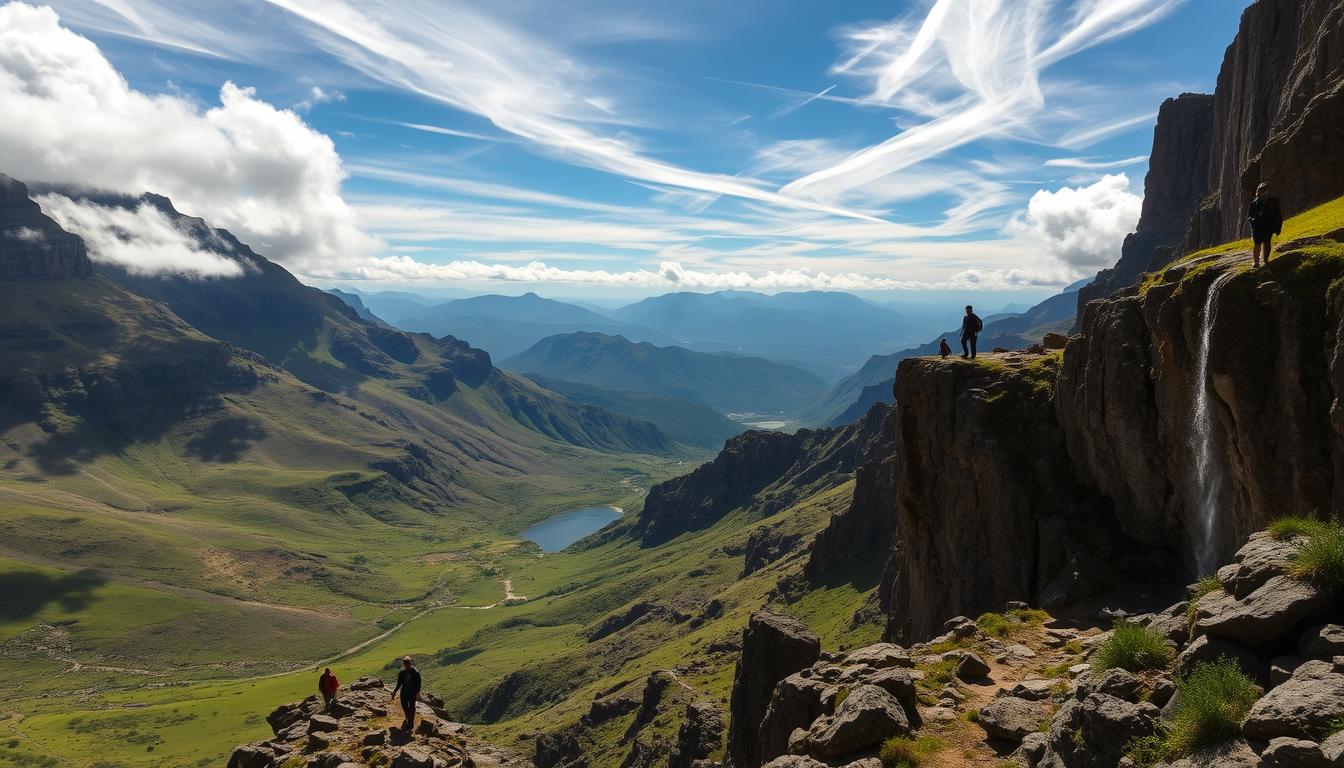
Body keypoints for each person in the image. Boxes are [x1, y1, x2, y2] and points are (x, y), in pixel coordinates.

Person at [1247, 181, 1283, 268]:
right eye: (1258, 192)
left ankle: (1265, 260)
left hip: (1268, 226)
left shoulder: (1273, 202)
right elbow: (1249, 215)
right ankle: (1256, 262)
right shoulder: (1254, 203)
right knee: (1257, 244)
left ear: (1266, 192)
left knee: (1267, 243)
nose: (1259, 194)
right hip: (1257, 226)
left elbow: (1278, 215)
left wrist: (1277, 227)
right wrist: (1253, 220)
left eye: (1262, 192)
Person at [390, 655, 422, 730]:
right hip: (404, 692)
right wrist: (394, 691)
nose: (407, 666)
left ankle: (411, 722)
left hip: (412, 692)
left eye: (408, 664)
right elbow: (399, 684)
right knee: (404, 705)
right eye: (405, 665)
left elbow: (418, 683)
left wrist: (417, 692)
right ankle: (408, 717)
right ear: (404, 665)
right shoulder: (401, 673)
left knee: (412, 706)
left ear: (410, 663)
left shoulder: (416, 673)